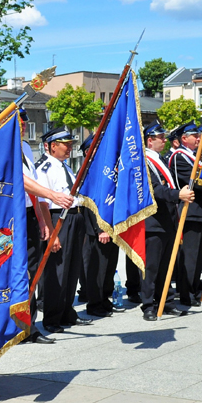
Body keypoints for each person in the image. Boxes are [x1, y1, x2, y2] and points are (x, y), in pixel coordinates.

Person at [17, 110, 74, 344]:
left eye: (25, 122)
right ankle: (20, 327)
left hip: (30, 215)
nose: (24, 126)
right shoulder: (4, 148)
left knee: (31, 272)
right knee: (19, 274)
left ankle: (29, 326)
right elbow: (21, 180)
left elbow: (34, 191)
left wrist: (42, 221)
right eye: (20, 122)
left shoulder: (25, 148)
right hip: (13, 217)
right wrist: (52, 195)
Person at [34, 126, 92, 332]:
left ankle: (67, 312)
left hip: (74, 218)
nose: (69, 149)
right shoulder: (43, 168)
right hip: (58, 219)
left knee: (72, 269)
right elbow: (42, 202)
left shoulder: (65, 167)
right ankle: (52, 318)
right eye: (65, 145)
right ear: (51, 146)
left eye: (70, 145)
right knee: (57, 272)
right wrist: (52, 232)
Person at [142, 122, 195, 320]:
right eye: (160, 137)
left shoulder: (161, 159)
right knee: (151, 266)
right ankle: (148, 305)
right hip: (153, 221)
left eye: (164, 137)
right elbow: (154, 189)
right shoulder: (144, 162)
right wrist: (177, 195)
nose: (165, 140)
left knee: (167, 265)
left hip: (169, 219)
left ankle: (166, 300)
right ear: (150, 140)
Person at [78, 135, 123, 318]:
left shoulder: (105, 169)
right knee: (97, 268)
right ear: (88, 151)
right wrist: (100, 229)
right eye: (96, 148)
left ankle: (105, 299)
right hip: (97, 229)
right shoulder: (88, 171)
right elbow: (91, 205)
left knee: (109, 266)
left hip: (111, 227)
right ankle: (95, 303)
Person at [168, 122, 202, 307]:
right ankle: (186, 294)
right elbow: (193, 182)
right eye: (195, 136)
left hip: (201, 212)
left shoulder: (194, 157)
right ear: (184, 139)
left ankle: (194, 289)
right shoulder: (179, 158)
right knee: (190, 256)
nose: (199, 138)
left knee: (199, 256)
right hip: (190, 211)